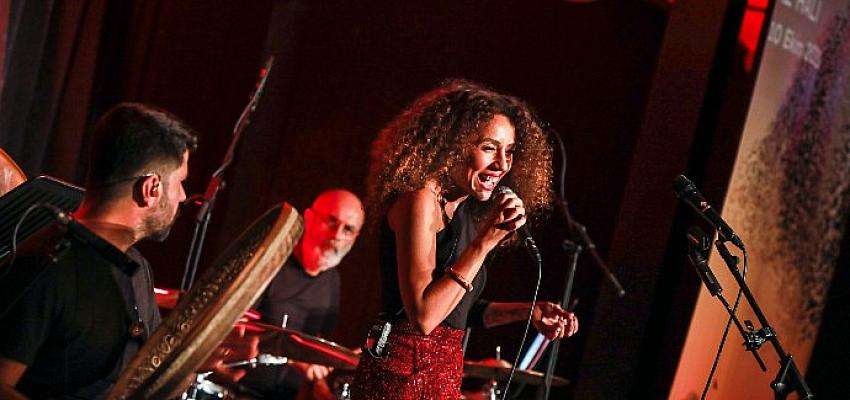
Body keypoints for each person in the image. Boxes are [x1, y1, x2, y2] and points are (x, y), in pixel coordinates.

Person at [0, 103, 248, 399]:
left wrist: (195, 363)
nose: (183, 196)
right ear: (151, 189)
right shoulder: (45, 267)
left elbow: (140, 381)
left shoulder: (137, 268)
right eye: (180, 182)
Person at [351, 80, 579, 399]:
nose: (502, 164)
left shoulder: (465, 210)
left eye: (510, 151)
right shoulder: (419, 200)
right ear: (453, 144)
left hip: (440, 376)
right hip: (401, 377)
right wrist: (483, 244)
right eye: (489, 148)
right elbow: (425, 316)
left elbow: (458, 309)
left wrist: (528, 312)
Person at [240, 189, 365, 399]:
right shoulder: (270, 263)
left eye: (348, 229)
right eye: (331, 221)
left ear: (355, 237)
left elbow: (315, 342)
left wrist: (320, 381)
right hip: (240, 387)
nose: (337, 235)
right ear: (308, 217)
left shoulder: (332, 281)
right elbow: (234, 326)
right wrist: (296, 358)